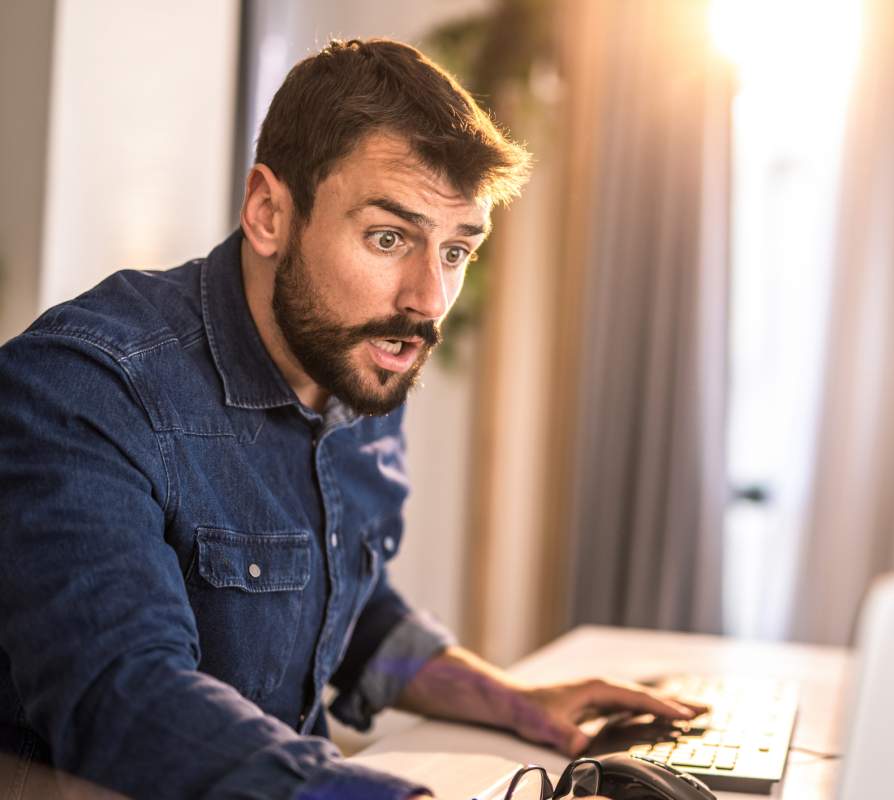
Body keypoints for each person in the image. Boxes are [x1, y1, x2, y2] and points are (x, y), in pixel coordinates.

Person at [0, 39, 699, 799]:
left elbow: (350, 610)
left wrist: (513, 701)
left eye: (456, 251)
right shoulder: (88, 386)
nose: (427, 300)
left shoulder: (355, 361)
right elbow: (126, 702)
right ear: (269, 213)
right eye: (388, 238)